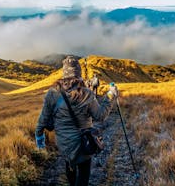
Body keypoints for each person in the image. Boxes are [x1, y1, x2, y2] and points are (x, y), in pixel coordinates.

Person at [35, 56, 118, 186]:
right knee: (84, 172)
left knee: (69, 163)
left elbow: (43, 120)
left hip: (64, 144)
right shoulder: (87, 93)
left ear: (64, 74)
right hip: (84, 143)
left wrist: (39, 140)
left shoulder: (52, 94)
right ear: (79, 74)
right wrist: (110, 95)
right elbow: (100, 116)